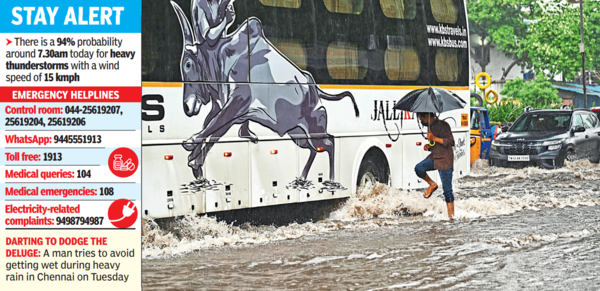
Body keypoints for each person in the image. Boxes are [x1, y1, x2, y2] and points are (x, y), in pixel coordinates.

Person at [414, 112, 455, 219]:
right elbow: (435, 144)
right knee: (419, 168)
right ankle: (432, 184)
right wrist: (429, 146)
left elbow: (451, 141)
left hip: (445, 160)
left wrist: (434, 138)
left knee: (447, 191)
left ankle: (452, 218)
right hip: (435, 157)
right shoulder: (430, 127)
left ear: (426, 116)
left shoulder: (443, 125)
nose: (421, 121)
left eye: (421, 118)